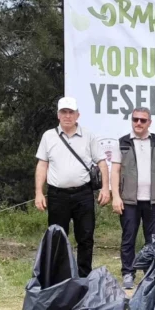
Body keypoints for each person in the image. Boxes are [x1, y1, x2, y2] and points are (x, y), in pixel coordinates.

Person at [34, 97, 111, 277]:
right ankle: (58, 276)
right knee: (57, 237)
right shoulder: (48, 136)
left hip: (83, 194)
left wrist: (105, 188)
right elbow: (42, 165)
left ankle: (84, 276)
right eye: (64, 112)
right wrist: (39, 192)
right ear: (58, 115)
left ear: (78, 115)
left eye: (71, 112)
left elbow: (101, 162)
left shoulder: (89, 136)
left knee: (85, 237)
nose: (67, 116)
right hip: (57, 195)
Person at [111, 107, 155, 290]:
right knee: (128, 238)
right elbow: (115, 170)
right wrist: (115, 196)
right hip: (129, 200)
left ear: (149, 123)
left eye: (142, 120)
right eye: (135, 119)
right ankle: (128, 273)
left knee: (152, 239)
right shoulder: (122, 142)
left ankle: (150, 273)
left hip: (153, 200)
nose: (138, 123)